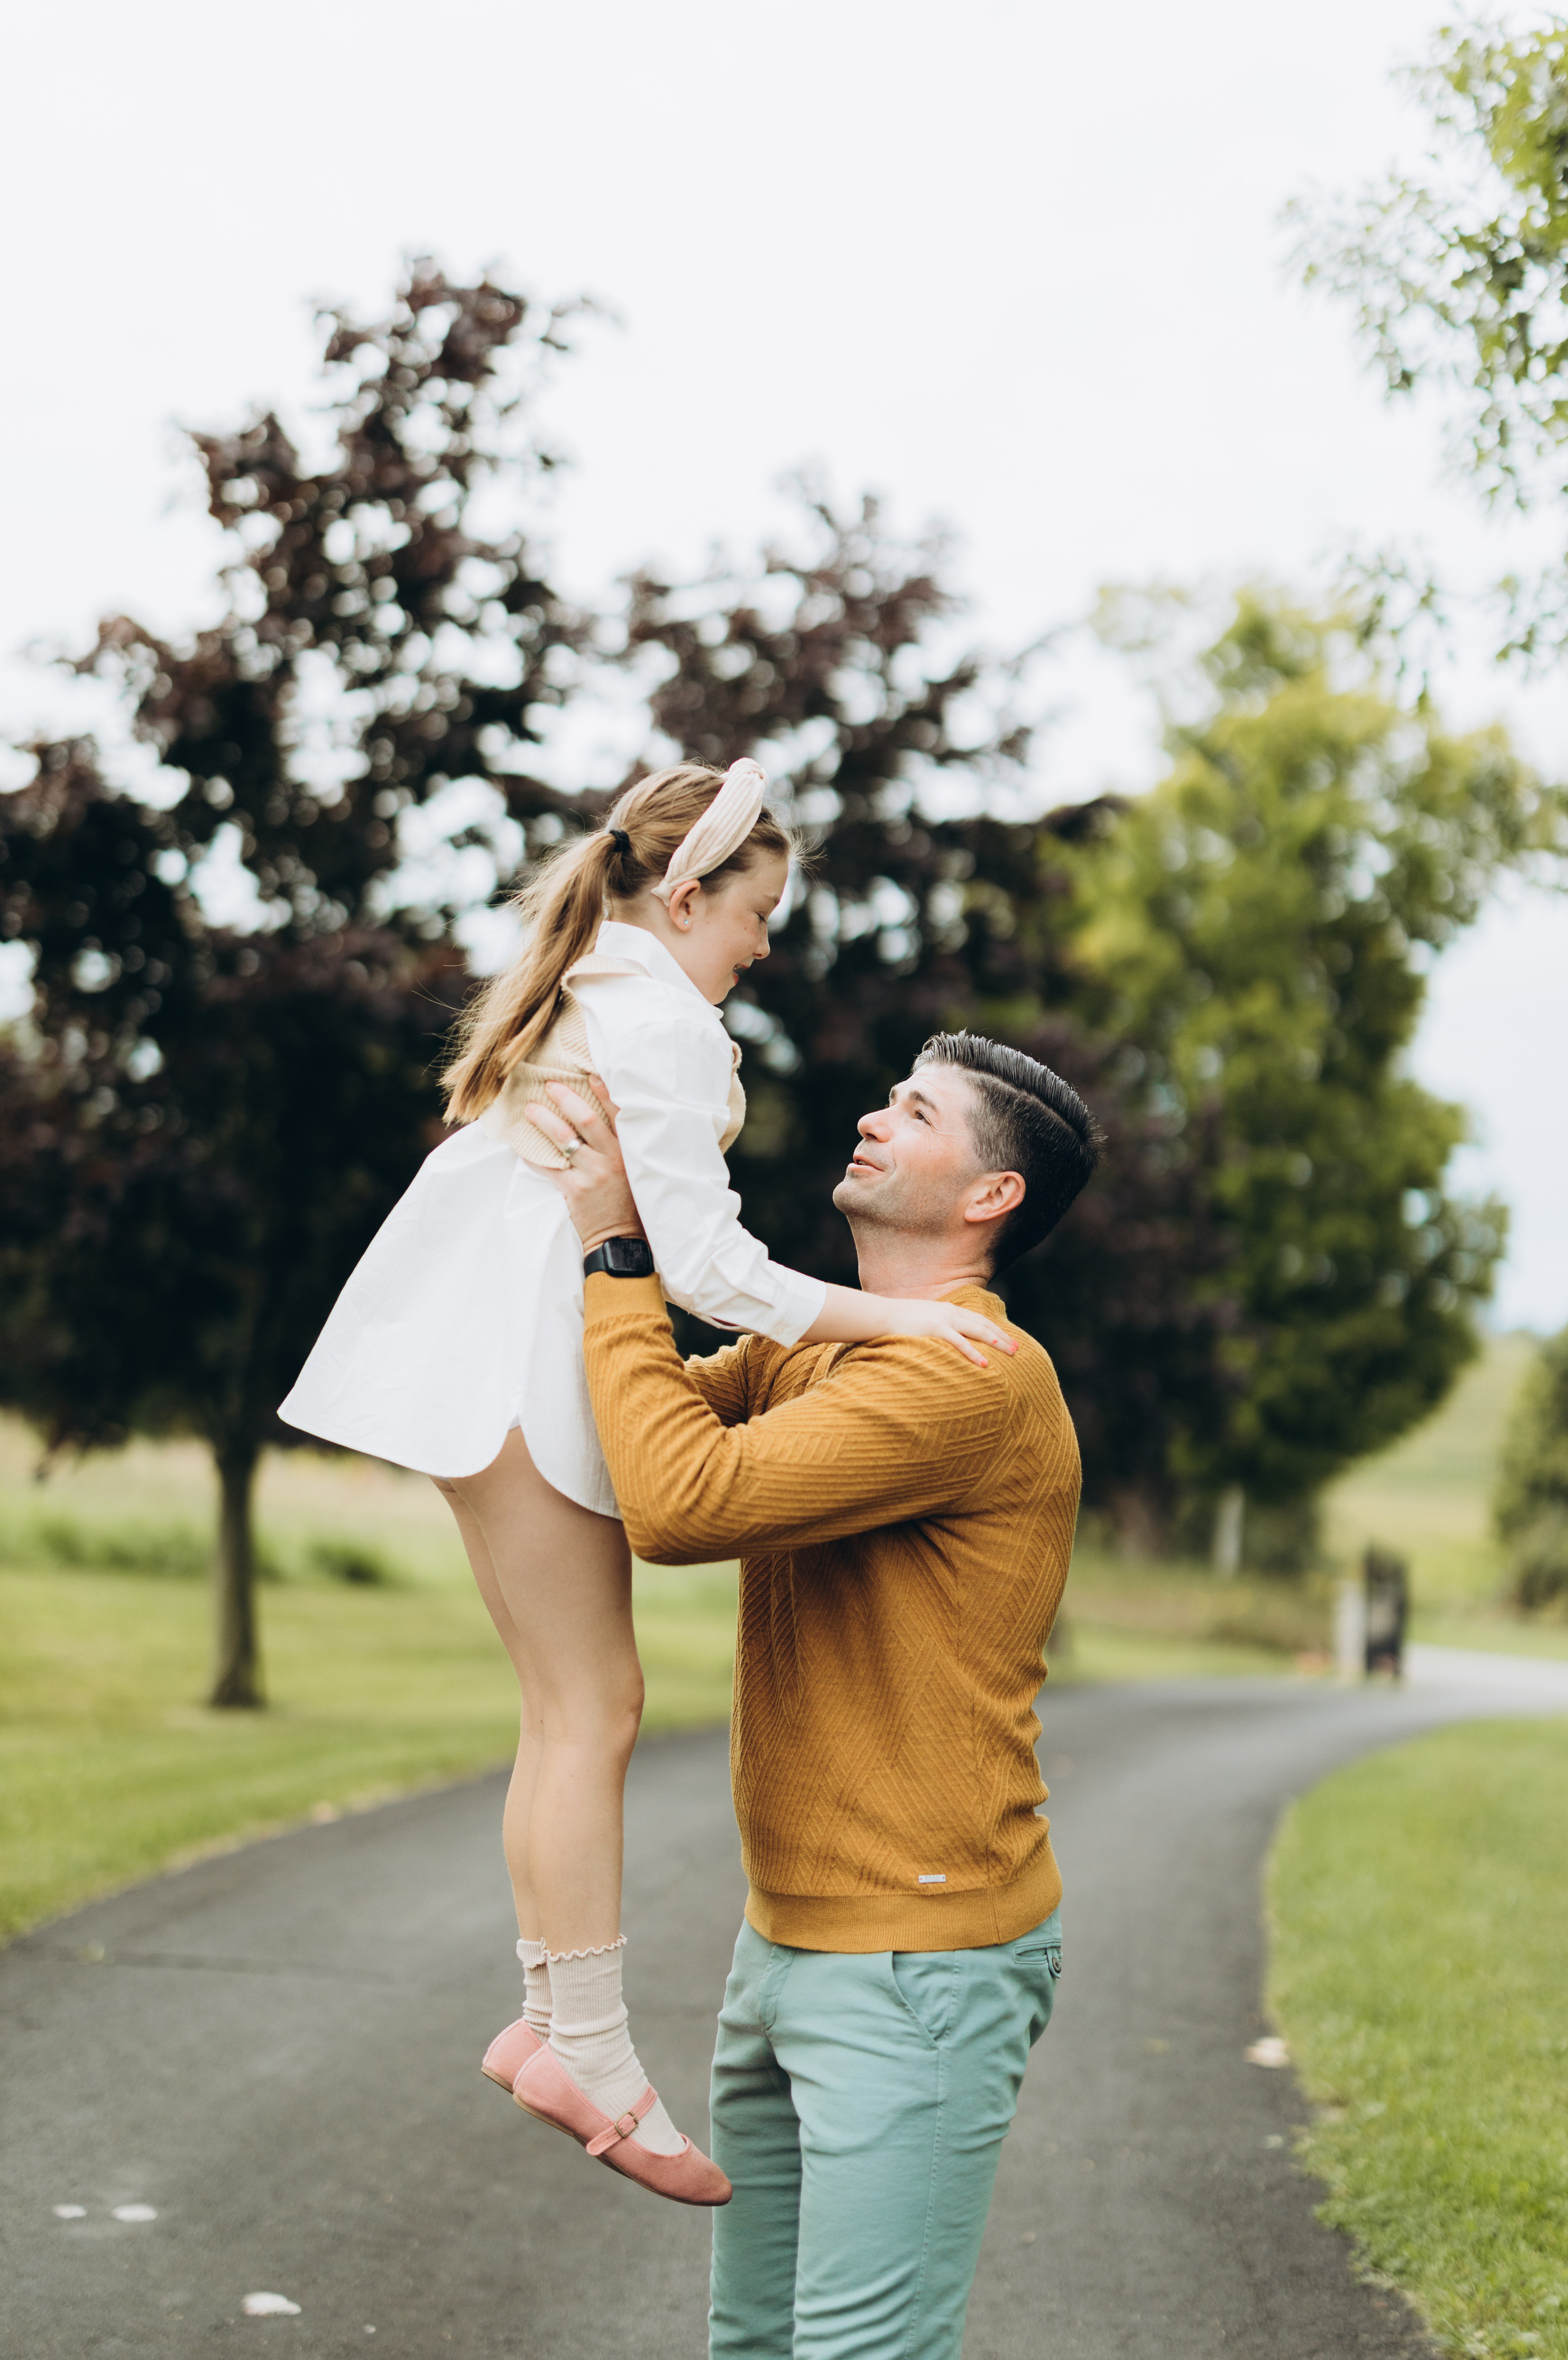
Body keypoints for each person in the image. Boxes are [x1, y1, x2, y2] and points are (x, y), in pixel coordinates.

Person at [277, 761, 1013, 2208]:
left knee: (566, 1710)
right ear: (685, 897)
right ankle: (589, 2053)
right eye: (755, 914)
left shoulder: (602, 994)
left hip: (477, 1360)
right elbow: (709, 1267)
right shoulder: (656, 1020)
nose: (761, 944)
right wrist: (900, 1321)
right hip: (522, 1367)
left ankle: (558, 2029)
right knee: (591, 1709)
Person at [530, 1028, 1099, 2359]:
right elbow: (634, 1432)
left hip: (917, 1962)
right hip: (784, 1941)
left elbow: (680, 1503)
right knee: (753, 2348)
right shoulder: (820, 1349)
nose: (871, 1117)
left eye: (913, 1111)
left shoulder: (965, 1375)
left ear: (988, 1197)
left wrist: (620, 1249)